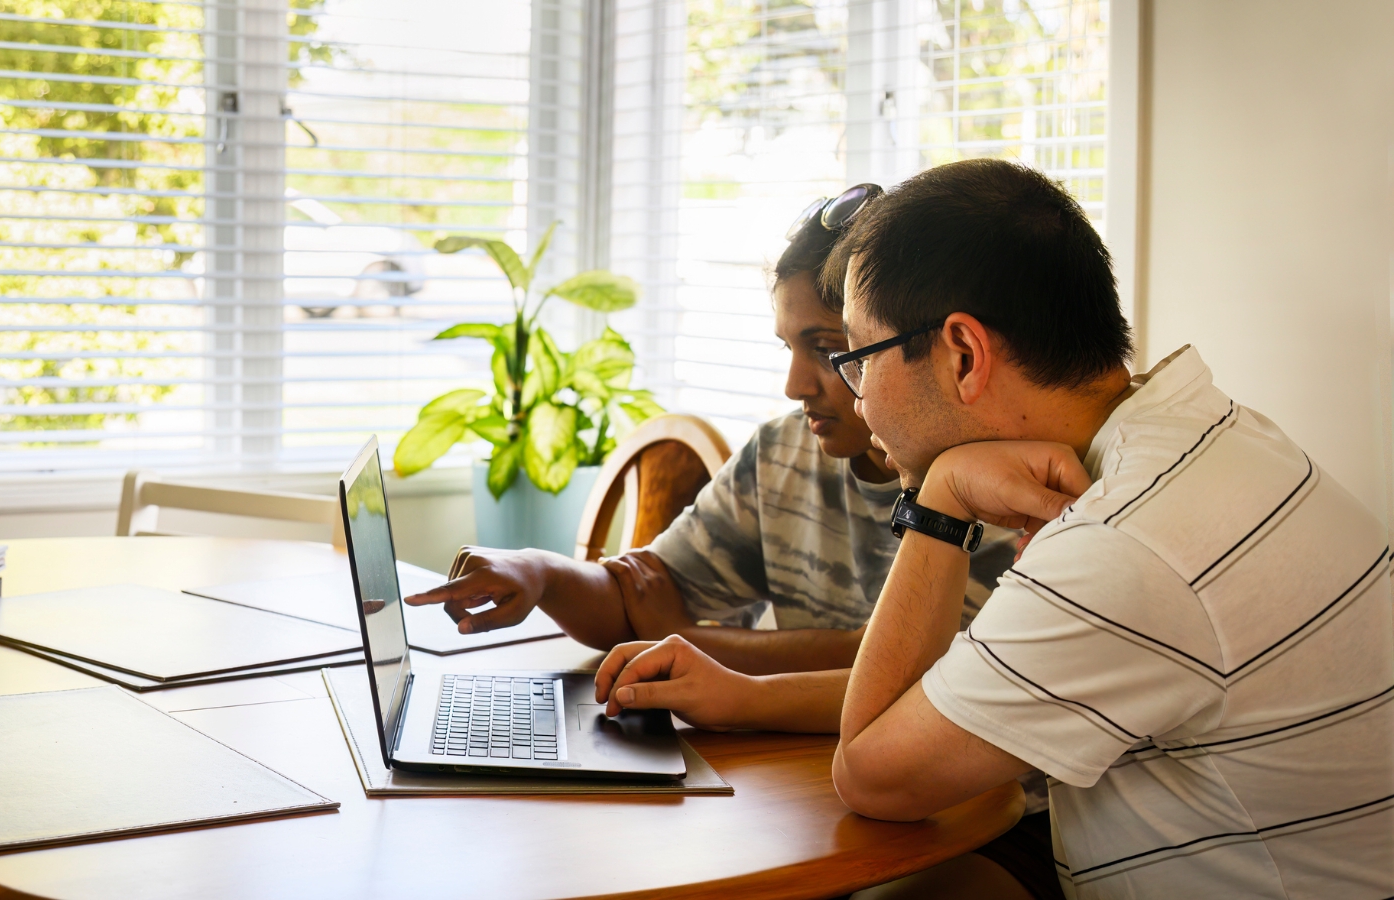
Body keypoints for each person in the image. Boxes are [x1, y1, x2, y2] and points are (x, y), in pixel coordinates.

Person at [591, 159, 1394, 899]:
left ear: (964, 355)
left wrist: (939, 502)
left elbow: (873, 775)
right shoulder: (1207, 435)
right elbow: (939, 708)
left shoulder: (1124, 542)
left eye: (859, 359)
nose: (858, 398)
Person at [404, 183, 1017, 677]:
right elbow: (634, 596)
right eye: (788, 347)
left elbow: (896, 667)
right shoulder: (782, 453)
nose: (795, 385)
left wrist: (681, 639)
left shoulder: (996, 487)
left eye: (831, 350)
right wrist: (540, 571)